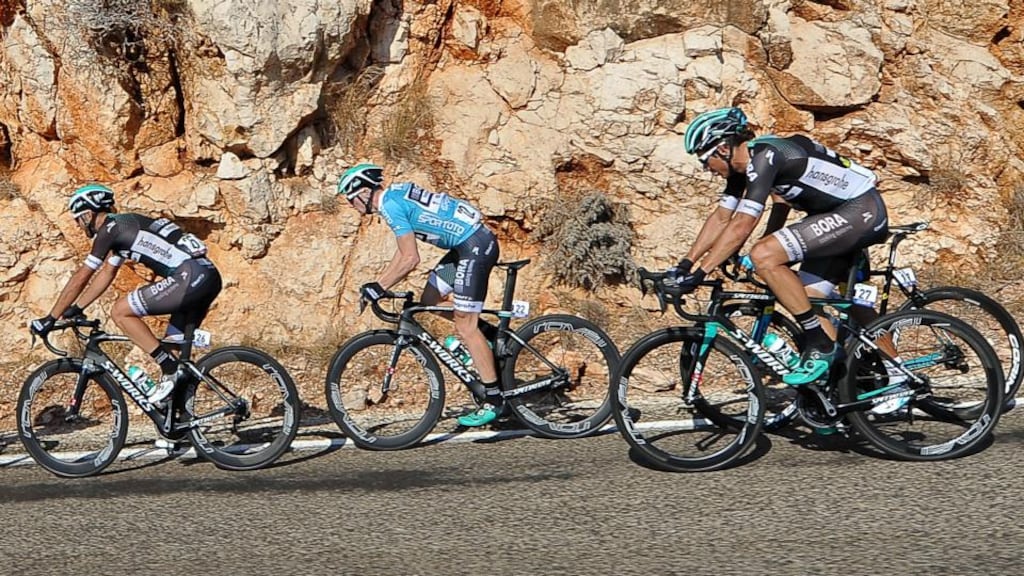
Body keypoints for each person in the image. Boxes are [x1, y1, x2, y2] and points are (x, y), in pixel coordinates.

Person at [673, 106, 894, 390]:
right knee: (809, 298)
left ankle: (822, 344)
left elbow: (742, 224)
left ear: (723, 149)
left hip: (860, 210)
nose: (707, 169)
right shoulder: (743, 169)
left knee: (764, 255)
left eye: (705, 160)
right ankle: (846, 384)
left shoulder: (765, 157)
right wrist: (686, 264)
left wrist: (702, 271)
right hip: (835, 217)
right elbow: (723, 217)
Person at [337, 163, 503, 427]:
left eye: (351, 198)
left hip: (474, 246)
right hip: (465, 245)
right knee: (430, 300)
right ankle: (488, 338)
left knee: (465, 326)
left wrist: (379, 287)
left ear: (364, 192)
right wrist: (380, 283)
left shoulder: (390, 206)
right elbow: (403, 252)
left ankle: (493, 400)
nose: (350, 204)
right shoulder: (393, 197)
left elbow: (411, 258)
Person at [30, 184, 223, 405]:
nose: (77, 225)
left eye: (77, 219)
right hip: (206, 276)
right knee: (172, 350)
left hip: (190, 278)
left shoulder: (110, 230)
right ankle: (178, 418)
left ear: (88, 214)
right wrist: (77, 308)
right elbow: (107, 272)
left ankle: (168, 367)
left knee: (120, 312)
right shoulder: (125, 225)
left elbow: (82, 276)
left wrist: (51, 317)